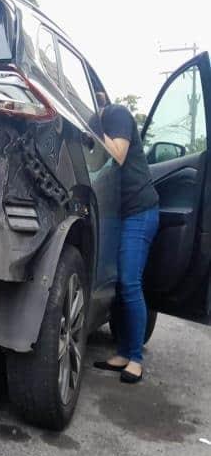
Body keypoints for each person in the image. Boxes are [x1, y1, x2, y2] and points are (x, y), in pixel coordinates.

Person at [93, 96, 160, 384]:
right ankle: (122, 351)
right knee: (119, 282)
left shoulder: (117, 114)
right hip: (120, 214)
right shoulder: (103, 124)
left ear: (99, 100)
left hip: (139, 212)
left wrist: (91, 127)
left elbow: (117, 153)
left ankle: (135, 358)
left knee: (130, 282)